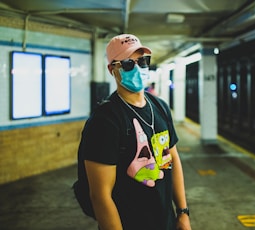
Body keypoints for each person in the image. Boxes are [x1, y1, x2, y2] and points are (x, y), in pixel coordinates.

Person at [77, 34, 191, 230]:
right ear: (113, 69)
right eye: (128, 64)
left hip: (167, 222)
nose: (138, 68)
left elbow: (173, 159)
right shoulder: (105, 121)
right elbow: (100, 196)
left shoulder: (160, 106)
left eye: (143, 61)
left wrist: (182, 212)